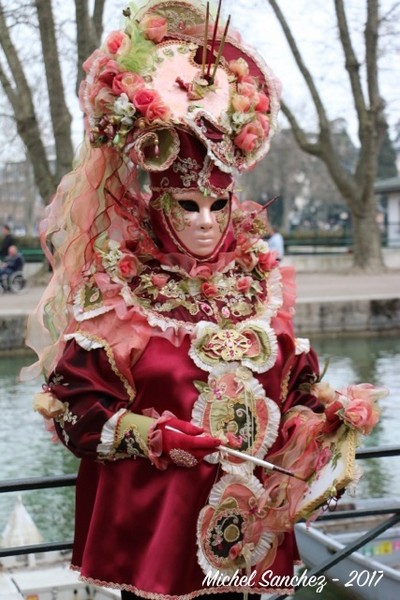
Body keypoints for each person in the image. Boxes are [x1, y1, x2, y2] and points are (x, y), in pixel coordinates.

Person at [25, 2, 385, 599]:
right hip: (157, 541)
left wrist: (326, 424)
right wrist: (159, 436)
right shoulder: (120, 294)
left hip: (254, 539)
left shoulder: (260, 289)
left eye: (217, 206)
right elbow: (76, 413)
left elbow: (292, 386)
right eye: (187, 206)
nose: (205, 222)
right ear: (158, 203)